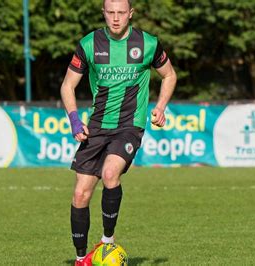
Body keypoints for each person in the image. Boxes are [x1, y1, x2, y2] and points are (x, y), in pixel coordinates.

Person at [60, 0, 176, 265]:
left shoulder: (148, 43)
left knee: (110, 173)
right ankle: (81, 260)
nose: (115, 18)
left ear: (130, 14)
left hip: (129, 125)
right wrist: (75, 120)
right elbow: (68, 86)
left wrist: (160, 106)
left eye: (121, 13)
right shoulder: (89, 44)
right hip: (97, 127)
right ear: (103, 13)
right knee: (80, 194)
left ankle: (107, 241)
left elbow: (169, 75)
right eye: (110, 12)